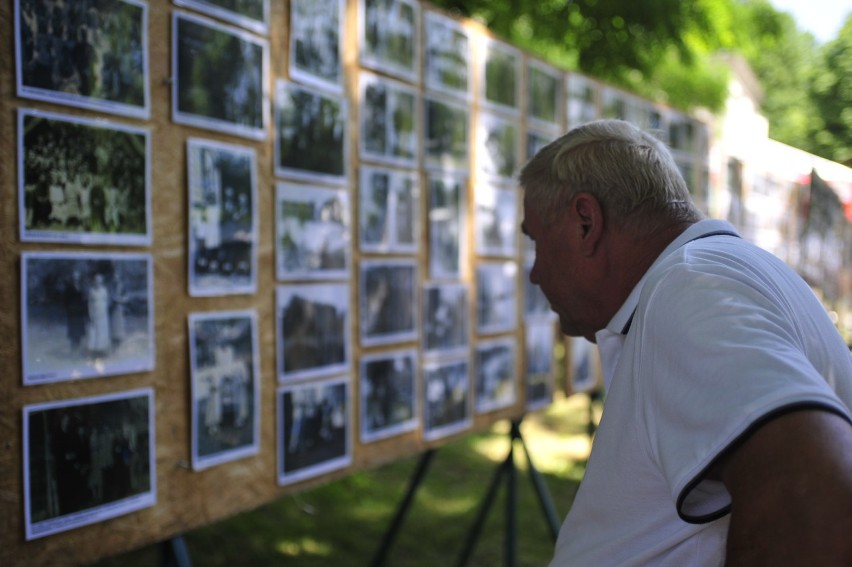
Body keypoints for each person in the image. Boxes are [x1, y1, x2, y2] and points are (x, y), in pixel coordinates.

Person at [519, 119, 852, 566]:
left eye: (536, 240)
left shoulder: (689, 287)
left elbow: (812, 491)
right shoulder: (709, 274)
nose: (535, 272)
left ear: (585, 222)